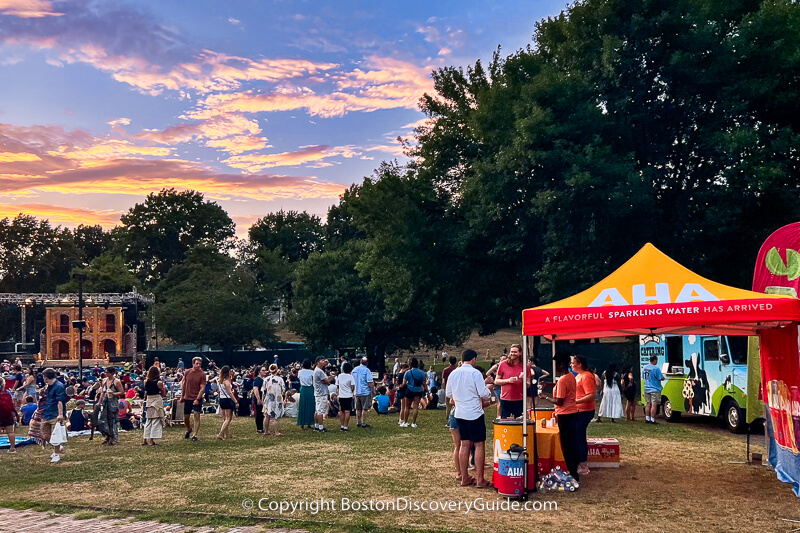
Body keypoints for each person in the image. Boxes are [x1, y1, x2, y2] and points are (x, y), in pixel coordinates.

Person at [446, 349, 493, 488]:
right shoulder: (475, 373)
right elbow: (484, 394)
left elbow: (449, 393)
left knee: (464, 445)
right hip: (475, 413)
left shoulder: (454, 373)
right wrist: (488, 389)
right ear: (474, 359)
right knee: (479, 444)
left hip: (460, 413)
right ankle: (480, 479)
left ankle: (464, 477)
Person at [539, 352, 580, 482]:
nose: (555, 367)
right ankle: (574, 470)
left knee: (567, 445)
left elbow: (559, 401)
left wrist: (545, 397)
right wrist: (550, 384)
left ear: (561, 365)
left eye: (556, 364)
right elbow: (562, 387)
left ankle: (572, 473)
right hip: (573, 412)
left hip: (565, 414)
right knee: (572, 443)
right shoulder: (570, 376)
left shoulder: (563, 380)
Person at [572, 355, 596, 476]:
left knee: (579, 436)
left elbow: (591, 395)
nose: (571, 365)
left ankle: (583, 463)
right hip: (578, 410)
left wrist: (576, 402)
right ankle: (579, 461)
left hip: (585, 410)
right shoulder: (579, 376)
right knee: (577, 436)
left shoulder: (587, 376)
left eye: (573, 363)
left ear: (579, 364)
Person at [494, 344, 531, 419]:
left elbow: (528, 385)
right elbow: (496, 381)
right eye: (511, 352)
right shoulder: (503, 364)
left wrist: (523, 380)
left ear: (520, 353)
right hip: (505, 399)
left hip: (519, 399)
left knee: (520, 421)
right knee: (504, 421)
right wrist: (508, 380)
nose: (512, 354)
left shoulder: (525, 366)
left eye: (515, 352)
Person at [41, 368, 68, 462]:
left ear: (46, 377)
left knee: (55, 434)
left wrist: (60, 414)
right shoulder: (48, 386)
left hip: (55, 413)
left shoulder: (59, 386)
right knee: (45, 435)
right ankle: (57, 447)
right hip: (47, 411)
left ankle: (56, 454)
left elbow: (60, 401)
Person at [180, 357, 207, 441]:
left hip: (197, 397)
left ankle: (195, 435)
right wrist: (182, 396)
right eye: (197, 363)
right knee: (186, 417)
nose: (198, 365)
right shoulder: (187, 372)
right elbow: (184, 384)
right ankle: (189, 429)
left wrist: (198, 399)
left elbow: (202, 387)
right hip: (188, 397)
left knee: (196, 414)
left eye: (199, 364)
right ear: (193, 363)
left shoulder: (202, 374)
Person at [98, 367, 124, 445]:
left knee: (113, 420)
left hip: (113, 402)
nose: (106, 374)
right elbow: (102, 392)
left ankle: (114, 438)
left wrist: (114, 393)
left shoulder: (116, 381)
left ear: (112, 373)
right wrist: (99, 402)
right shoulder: (104, 381)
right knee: (103, 419)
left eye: (107, 372)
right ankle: (107, 436)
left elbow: (122, 392)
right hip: (105, 401)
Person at [142, 365, 167, 445]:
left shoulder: (146, 381)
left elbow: (146, 392)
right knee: (156, 421)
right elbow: (163, 393)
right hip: (156, 400)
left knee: (148, 421)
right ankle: (151, 440)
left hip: (149, 400)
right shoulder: (159, 382)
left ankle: (145, 439)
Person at [401, 358, 427, 428]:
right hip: (418, 390)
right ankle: (414, 423)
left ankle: (406, 422)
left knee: (407, 407)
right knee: (415, 406)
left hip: (409, 390)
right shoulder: (421, 372)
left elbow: (404, 383)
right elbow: (424, 383)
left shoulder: (407, 372)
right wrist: (426, 390)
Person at [352, 357, 375, 429]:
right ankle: (364, 423)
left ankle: (358, 422)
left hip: (356, 392)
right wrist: (373, 390)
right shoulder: (367, 370)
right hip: (365, 392)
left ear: (360, 362)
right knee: (365, 409)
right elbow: (370, 382)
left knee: (358, 408)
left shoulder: (354, 370)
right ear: (367, 363)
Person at [263, 364, 285, 436]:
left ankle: (266, 431)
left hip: (268, 399)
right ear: (277, 370)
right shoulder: (280, 379)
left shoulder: (266, 379)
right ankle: (276, 432)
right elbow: (283, 390)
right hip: (277, 399)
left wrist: (263, 399)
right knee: (276, 417)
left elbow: (263, 391)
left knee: (267, 416)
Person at [216, 366, 238, 440]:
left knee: (225, 418)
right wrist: (236, 401)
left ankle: (226, 434)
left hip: (222, 399)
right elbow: (230, 393)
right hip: (227, 399)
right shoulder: (227, 382)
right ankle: (221, 433)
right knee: (228, 418)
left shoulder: (220, 381)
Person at [643, 355, 664, 423]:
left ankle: (647, 418)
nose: (657, 361)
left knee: (648, 404)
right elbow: (661, 378)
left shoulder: (644, 367)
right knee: (654, 404)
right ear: (654, 360)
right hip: (654, 389)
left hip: (647, 388)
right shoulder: (656, 369)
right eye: (656, 360)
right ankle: (652, 419)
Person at [313, 357, 332, 432]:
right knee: (320, 411)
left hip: (318, 392)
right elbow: (326, 381)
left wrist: (326, 380)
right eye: (322, 360)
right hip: (321, 393)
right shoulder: (319, 371)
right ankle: (321, 427)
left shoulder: (316, 370)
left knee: (317, 410)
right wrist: (329, 379)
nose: (324, 362)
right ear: (318, 362)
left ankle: (316, 425)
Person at [0, 377, 18, 454]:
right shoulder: (7, 392)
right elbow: (12, 402)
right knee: (10, 431)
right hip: (8, 414)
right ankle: (13, 448)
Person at [297, 359, 315, 429]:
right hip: (310, 389)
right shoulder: (312, 372)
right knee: (310, 406)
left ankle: (302, 423)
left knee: (303, 405)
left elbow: (299, 379)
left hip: (303, 389)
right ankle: (309, 423)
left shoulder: (300, 372)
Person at [337, 362, 355, 431]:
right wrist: (351, 391)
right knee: (347, 411)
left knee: (342, 411)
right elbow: (352, 387)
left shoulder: (340, 376)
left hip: (341, 395)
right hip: (348, 395)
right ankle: (346, 426)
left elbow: (338, 385)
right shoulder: (350, 377)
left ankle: (341, 425)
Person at [442, 356, 458, 427]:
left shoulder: (446, 370)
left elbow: (443, 381)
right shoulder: (457, 370)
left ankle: (448, 421)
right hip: (457, 390)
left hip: (448, 389)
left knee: (448, 406)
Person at [252, 366, 268, 434]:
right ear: (259, 372)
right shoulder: (258, 380)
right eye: (263, 370)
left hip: (264, 399)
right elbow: (255, 389)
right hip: (259, 399)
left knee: (262, 414)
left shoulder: (264, 379)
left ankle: (262, 427)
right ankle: (259, 428)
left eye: (265, 370)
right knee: (259, 414)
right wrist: (258, 399)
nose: (265, 371)